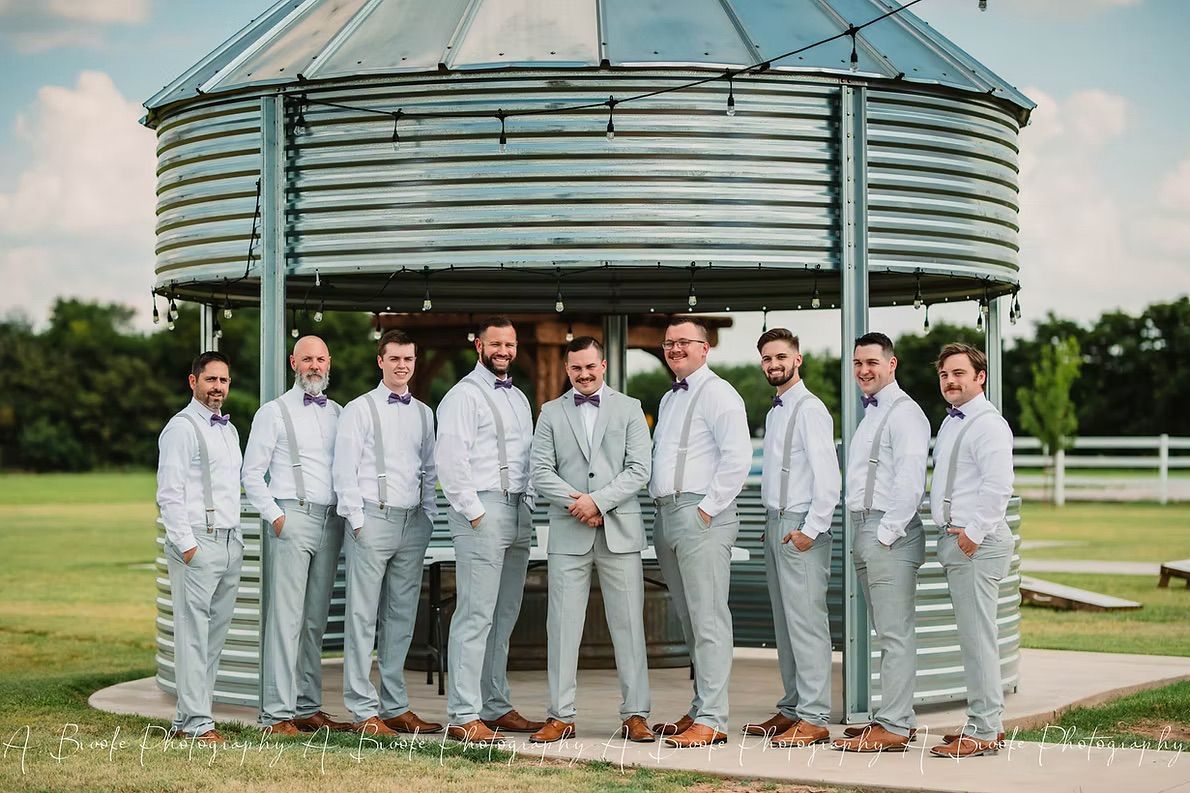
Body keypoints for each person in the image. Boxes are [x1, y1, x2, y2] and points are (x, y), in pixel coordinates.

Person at [528, 336, 654, 744]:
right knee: (562, 627)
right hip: (568, 532)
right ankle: (560, 715)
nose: (583, 374)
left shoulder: (630, 409)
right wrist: (579, 504)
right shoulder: (550, 412)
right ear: (567, 370)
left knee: (629, 625)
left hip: (620, 531)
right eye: (575, 368)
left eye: (590, 366)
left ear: (603, 366)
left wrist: (598, 502)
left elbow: (639, 470)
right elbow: (541, 471)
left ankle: (636, 714)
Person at [436, 316, 544, 744]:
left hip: (518, 511)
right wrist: (475, 512)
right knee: (475, 614)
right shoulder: (463, 396)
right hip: (483, 508)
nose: (503, 351)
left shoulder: (518, 397)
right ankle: (464, 715)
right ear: (478, 345)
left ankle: (495, 705)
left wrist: (529, 504)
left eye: (510, 344)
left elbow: (529, 457)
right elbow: (450, 461)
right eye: (495, 344)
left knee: (504, 614)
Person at [648, 317, 752, 748]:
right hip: (667, 514)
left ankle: (713, 718)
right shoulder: (671, 398)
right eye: (669, 343)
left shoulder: (720, 394)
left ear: (705, 348)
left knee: (709, 618)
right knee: (691, 620)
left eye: (684, 343)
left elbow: (738, 458)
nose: (675, 349)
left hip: (700, 514)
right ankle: (699, 707)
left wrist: (707, 510)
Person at [333, 329, 441, 736]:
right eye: (394, 358)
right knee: (362, 616)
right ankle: (363, 711)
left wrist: (428, 516)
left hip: (413, 523)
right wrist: (357, 519)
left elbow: (429, 470)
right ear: (380, 360)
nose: (402, 366)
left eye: (409, 359)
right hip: (371, 519)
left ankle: (395, 706)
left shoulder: (424, 413)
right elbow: (344, 469)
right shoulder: (359, 409)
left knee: (401, 617)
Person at [243, 335, 351, 736]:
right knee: (285, 619)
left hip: (331, 522)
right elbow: (251, 474)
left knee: (314, 621)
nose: (314, 365)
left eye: (321, 358)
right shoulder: (273, 413)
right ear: (293, 362)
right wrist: (276, 518)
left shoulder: (339, 412)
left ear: (329, 362)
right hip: (293, 518)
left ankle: (308, 707)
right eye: (307, 358)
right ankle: (276, 714)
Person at [743, 329, 840, 748]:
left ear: (797, 359)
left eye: (780, 356)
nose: (773, 364)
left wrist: (809, 530)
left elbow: (829, 481)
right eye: (766, 358)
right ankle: (792, 708)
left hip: (802, 525)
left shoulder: (811, 409)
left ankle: (815, 716)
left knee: (807, 623)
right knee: (784, 623)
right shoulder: (777, 411)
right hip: (776, 523)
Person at [833, 332, 930, 753]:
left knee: (894, 633)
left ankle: (892, 724)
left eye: (872, 362)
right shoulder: (871, 414)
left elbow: (910, 482)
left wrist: (886, 534)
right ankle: (893, 718)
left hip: (888, 531)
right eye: (857, 363)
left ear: (892, 364)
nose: (863, 370)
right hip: (865, 527)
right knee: (884, 630)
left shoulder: (905, 414)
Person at [928, 343, 1014, 759]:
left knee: (978, 639)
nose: (950, 381)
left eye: (959, 373)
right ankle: (986, 724)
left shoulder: (989, 425)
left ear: (980, 377)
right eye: (945, 374)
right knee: (973, 637)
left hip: (976, 544)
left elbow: (997, 488)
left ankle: (982, 730)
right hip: (958, 541)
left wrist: (971, 536)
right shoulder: (952, 423)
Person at [156, 351, 243, 745]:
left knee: (212, 640)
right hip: (197, 542)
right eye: (210, 380)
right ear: (193, 382)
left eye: (223, 381)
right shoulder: (181, 428)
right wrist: (188, 546)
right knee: (193, 637)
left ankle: (187, 720)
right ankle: (197, 724)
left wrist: (234, 541)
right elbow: (169, 494)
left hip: (228, 543)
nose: (218, 388)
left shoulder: (229, 430)